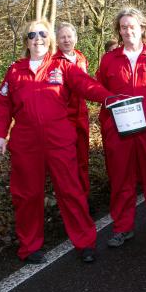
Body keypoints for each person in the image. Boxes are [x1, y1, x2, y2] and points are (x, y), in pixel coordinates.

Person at [0, 19, 112, 264]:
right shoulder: (15, 70)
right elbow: (3, 104)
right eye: (32, 34)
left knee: (71, 190)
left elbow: (87, 86)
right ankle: (29, 246)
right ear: (26, 41)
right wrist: (0, 134)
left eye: (43, 34)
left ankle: (85, 242)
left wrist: (112, 98)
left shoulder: (62, 66)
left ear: (50, 39)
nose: (38, 39)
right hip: (26, 143)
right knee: (27, 195)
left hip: (59, 139)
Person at [97, 7, 146, 247]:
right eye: (123, 27)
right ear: (118, 31)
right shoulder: (109, 59)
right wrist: (108, 125)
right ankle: (122, 227)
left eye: (132, 26)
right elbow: (102, 94)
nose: (127, 30)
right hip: (120, 131)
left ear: (142, 28)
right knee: (121, 180)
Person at [56, 22, 91, 200]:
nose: (67, 40)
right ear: (56, 40)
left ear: (75, 39)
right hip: (63, 117)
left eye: (69, 36)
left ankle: (84, 197)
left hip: (81, 115)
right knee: (67, 161)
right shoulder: (52, 60)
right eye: (63, 37)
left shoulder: (81, 58)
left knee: (83, 158)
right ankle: (71, 199)